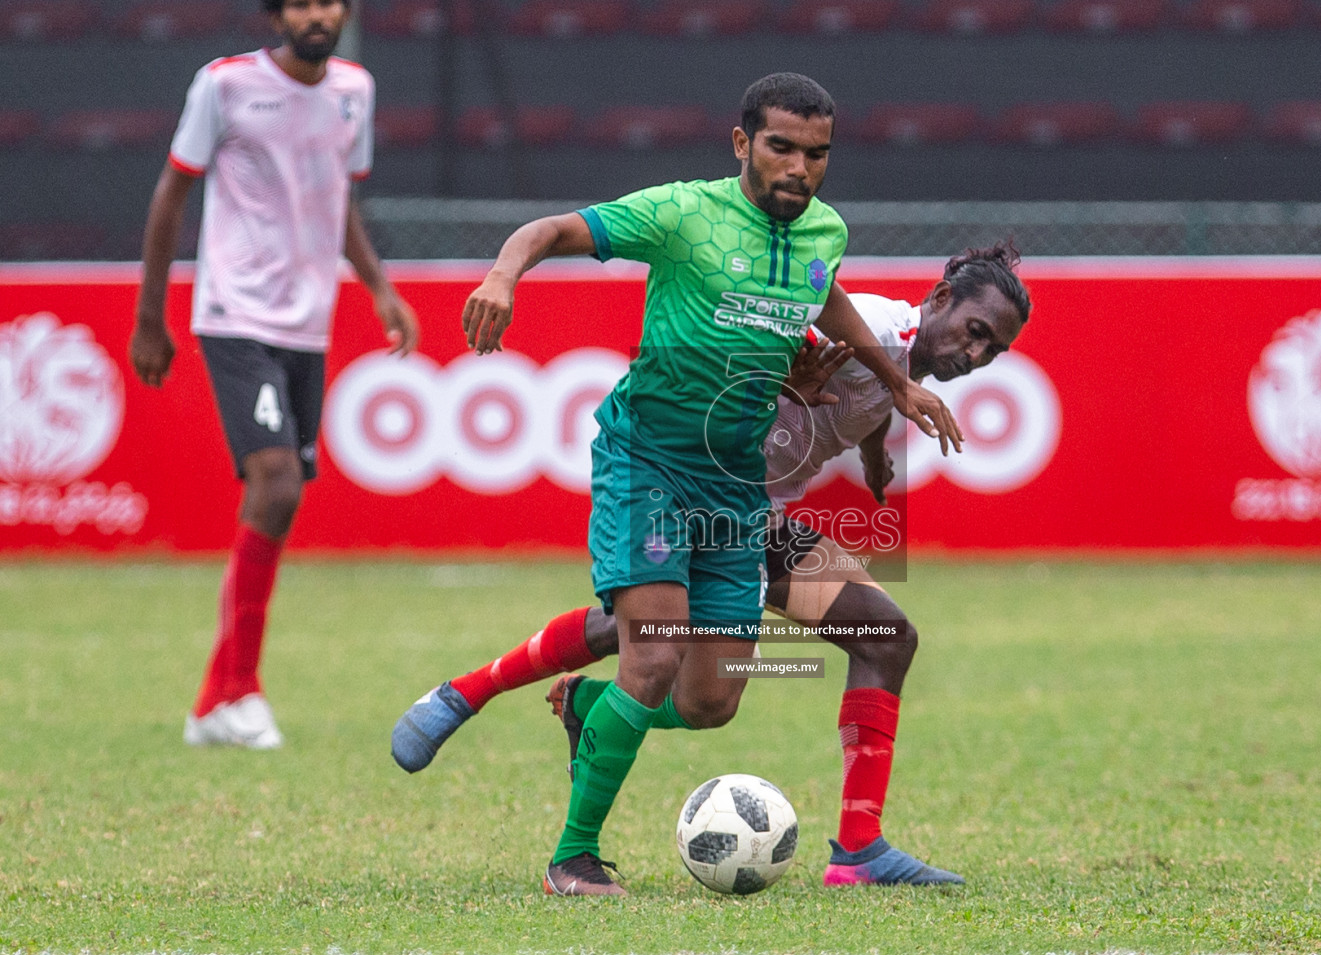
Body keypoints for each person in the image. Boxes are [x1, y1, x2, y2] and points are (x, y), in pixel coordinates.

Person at [442, 72, 963, 896]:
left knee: (714, 700)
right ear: (741, 144)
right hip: (646, 463)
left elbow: (822, 294)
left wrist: (892, 386)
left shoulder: (824, 230)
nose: (798, 168)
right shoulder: (685, 212)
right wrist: (503, 276)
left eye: (816, 154)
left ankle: (587, 712)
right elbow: (549, 229)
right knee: (650, 656)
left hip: (732, 494)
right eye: (780, 148)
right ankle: (572, 858)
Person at [393, 244, 1031, 887]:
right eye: (976, 333)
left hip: (757, 513)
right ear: (941, 300)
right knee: (649, 638)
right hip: (694, 488)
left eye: (993, 351)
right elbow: (744, 358)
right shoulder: (872, 325)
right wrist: (787, 383)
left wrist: (871, 454)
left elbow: (867, 387)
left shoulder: (899, 361)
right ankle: (473, 700)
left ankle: (857, 853)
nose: (976, 355)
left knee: (797, 668)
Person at [129, 0, 419, 750]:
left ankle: (212, 702)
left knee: (282, 499)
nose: (315, 15)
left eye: (328, 2)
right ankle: (240, 690)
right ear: (275, 14)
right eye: (300, 2)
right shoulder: (224, 85)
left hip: (307, 323)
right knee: (277, 483)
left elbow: (338, 199)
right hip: (234, 315)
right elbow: (171, 193)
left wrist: (380, 288)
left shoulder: (354, 89)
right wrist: (149, 316)